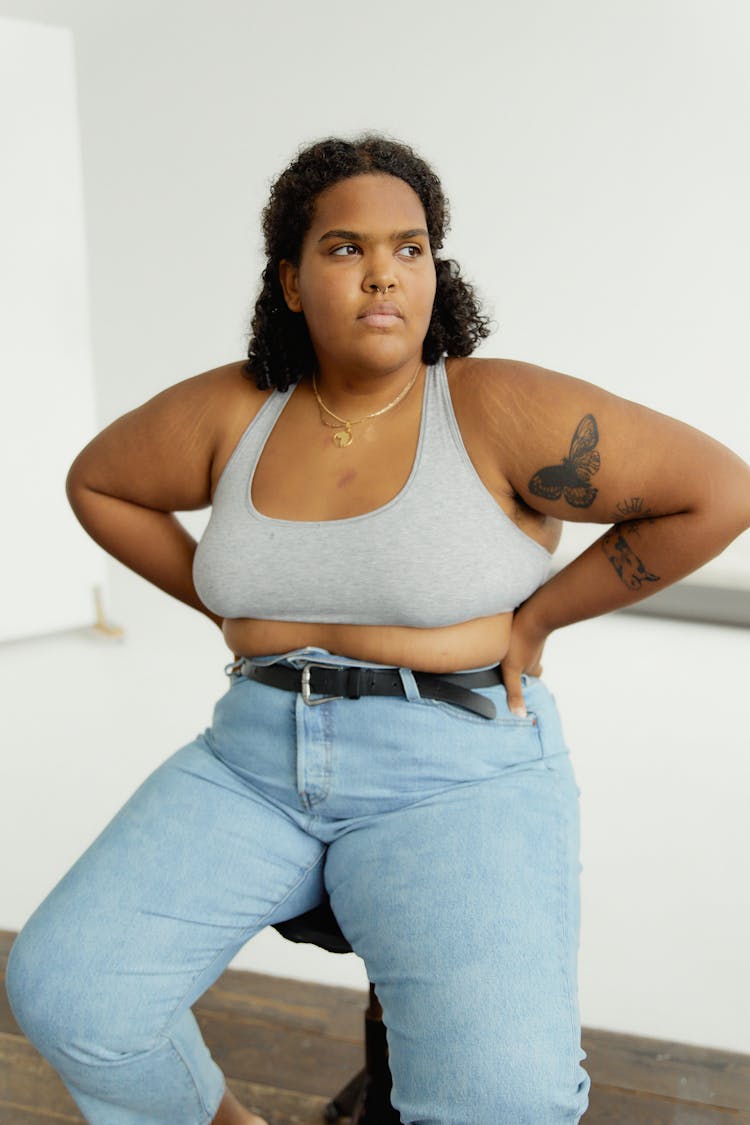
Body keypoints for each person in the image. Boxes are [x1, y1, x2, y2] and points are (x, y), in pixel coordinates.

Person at [5, 134, 750, 1125]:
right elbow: (98, 482)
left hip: (454, 765)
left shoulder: (491, 404)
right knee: (71, 992)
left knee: (505, 1104)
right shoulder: (242, 407)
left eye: (411, 247)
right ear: (292, 280)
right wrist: (231, 611)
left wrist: (536, 621)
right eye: (346, 248)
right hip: (254, 758)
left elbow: (716, 493)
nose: (384, 273)